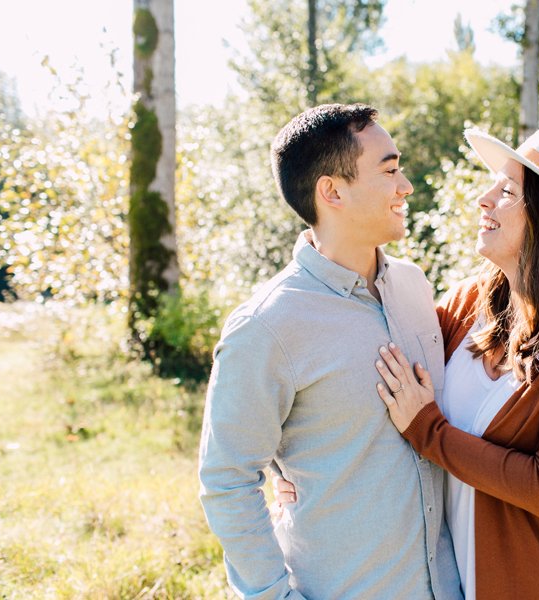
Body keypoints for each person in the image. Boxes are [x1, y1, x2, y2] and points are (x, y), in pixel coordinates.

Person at [372, 123, 539, 599]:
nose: (484, 198)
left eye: (507, 190)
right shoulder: (467, 302)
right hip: (457, 582)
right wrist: (290, 463)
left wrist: (428, 431)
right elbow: (375, 365)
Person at [198, 103, 461, 600]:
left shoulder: (414, 287)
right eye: (389, 170)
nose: (406, 185)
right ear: (332, 191)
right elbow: (227, 480)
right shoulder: (266, 326)